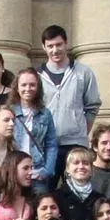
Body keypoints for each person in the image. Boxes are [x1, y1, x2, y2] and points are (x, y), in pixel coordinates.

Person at [38, 24, 101, 155]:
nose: (55, 50)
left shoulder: (83, 72)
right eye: (50, 46)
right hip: (45, 143)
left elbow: (92, 106)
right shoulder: (37, 76)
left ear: (66, 43)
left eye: (58, 44)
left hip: (76, 144)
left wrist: (81, 132)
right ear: (44, 47)